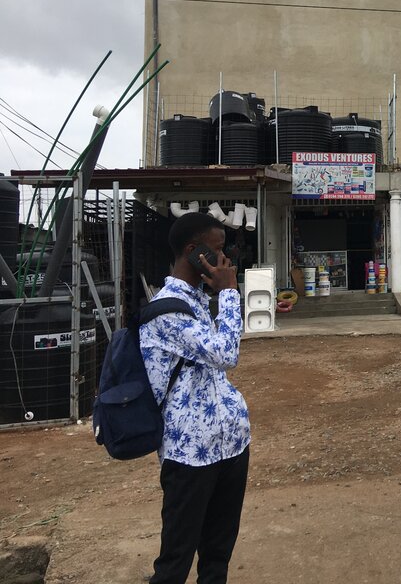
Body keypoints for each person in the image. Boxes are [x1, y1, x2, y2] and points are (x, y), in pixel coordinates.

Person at [140, 212, 251, 584]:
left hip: (231, 445)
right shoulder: (167, 311)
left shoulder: (198, 302)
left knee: (217, 556)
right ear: (193, 251)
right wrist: (230, 292)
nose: (225, 261)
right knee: (175, 562)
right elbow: (225, 354)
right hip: (190, 454)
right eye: (218, 250)